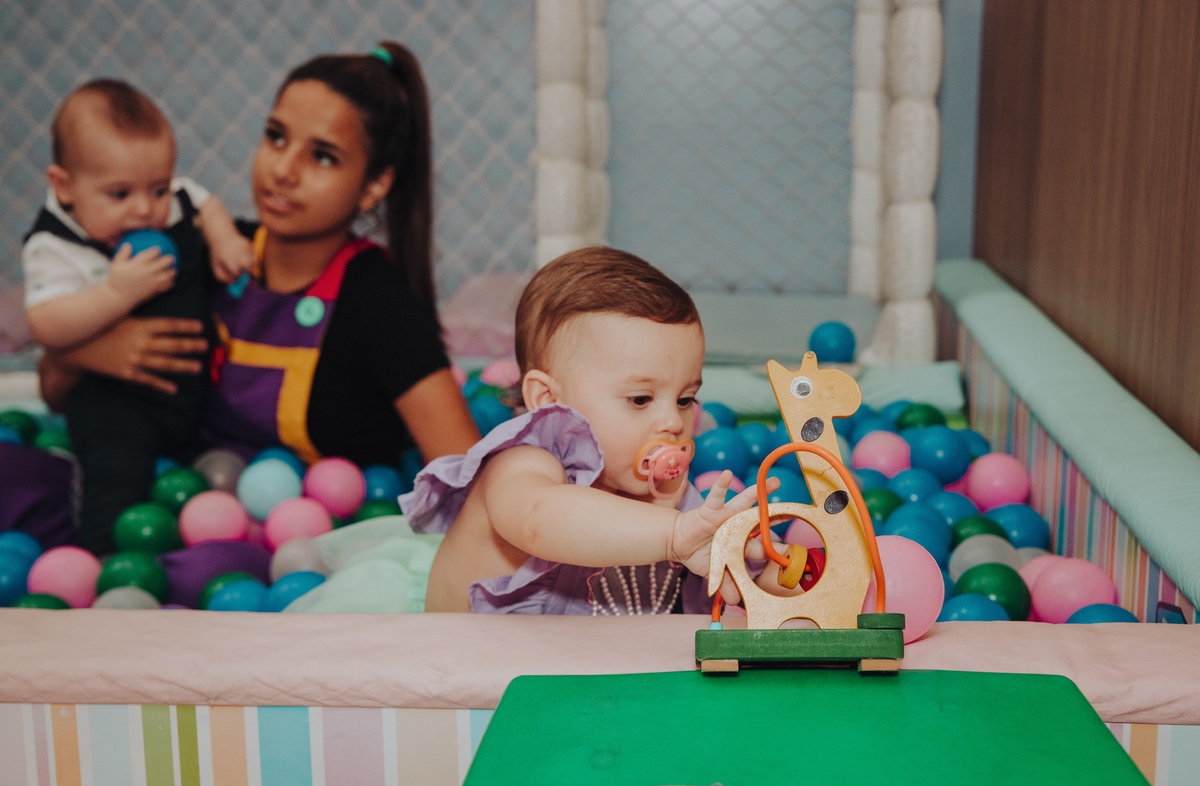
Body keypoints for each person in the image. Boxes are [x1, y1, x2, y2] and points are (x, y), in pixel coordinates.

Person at [39, 44, 479, 484]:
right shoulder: (207, 250)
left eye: (323, 156)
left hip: (325, 525)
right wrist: (91, 353)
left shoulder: (379, 299)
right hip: (184, 494)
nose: (283, 169)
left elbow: (462, 467)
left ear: (374, 185)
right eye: (276, 136)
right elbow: (55, 392)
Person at [402, 247, 777, 615]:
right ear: (548, 398)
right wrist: (673, 536)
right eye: (640, 399)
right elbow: (541, 520)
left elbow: (733, 556)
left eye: (685, 399)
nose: (675, 423)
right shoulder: (522, 467)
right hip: (464, 662)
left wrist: (787, 572)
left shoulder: (666, 497)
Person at [22, 78, 253, 554]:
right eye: (119, 194)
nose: (146, 210)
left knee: (220, 472)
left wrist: (226, 238)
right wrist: (115, 293)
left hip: (188, 397)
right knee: (116, 471)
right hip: (114, 405)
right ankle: (109, 554)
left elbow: (200, 200)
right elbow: (46, 324)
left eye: (158, 188)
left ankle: (207, 536)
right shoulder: (55, 247)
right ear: (64, 187)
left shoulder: (171, 202)